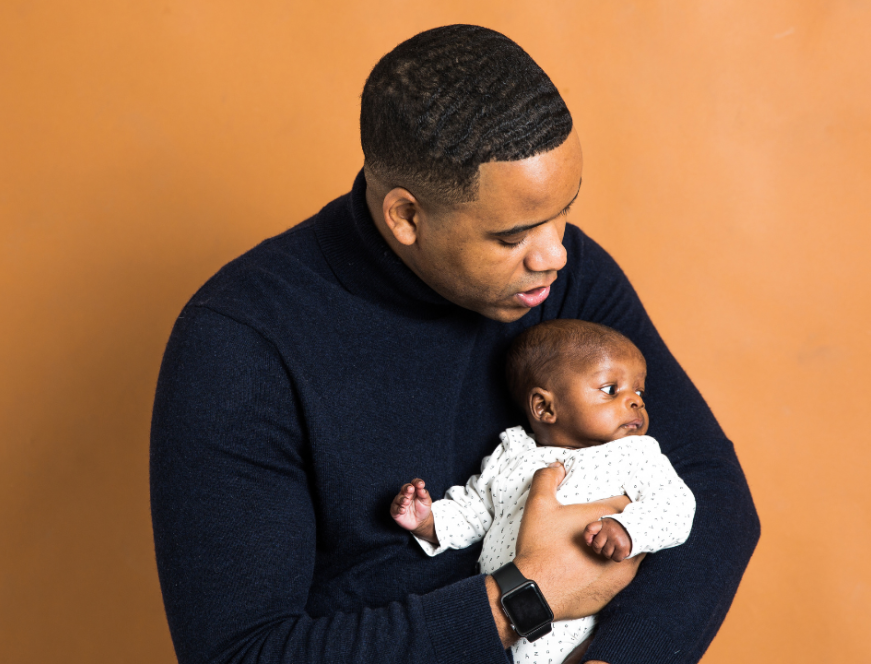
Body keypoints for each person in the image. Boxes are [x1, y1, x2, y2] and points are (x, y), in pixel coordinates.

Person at [150, 24, 759, 664]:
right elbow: (240, 653)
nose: (554, 255)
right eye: (512, 237)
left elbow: (712, 492)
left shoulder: (568, 279)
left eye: (563, 214)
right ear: (407, 217)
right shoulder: (240, 343)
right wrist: (525, 597)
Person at [391, 320, 696, 664]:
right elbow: (475, 509)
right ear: (545, 407)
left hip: (577, 628)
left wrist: (629, 530)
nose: (635, 402)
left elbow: (676, 506)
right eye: (611, 389)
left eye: (639, 392)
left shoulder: (636, 453)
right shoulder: (512, 454)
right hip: (497, 625)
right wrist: (429, 521)